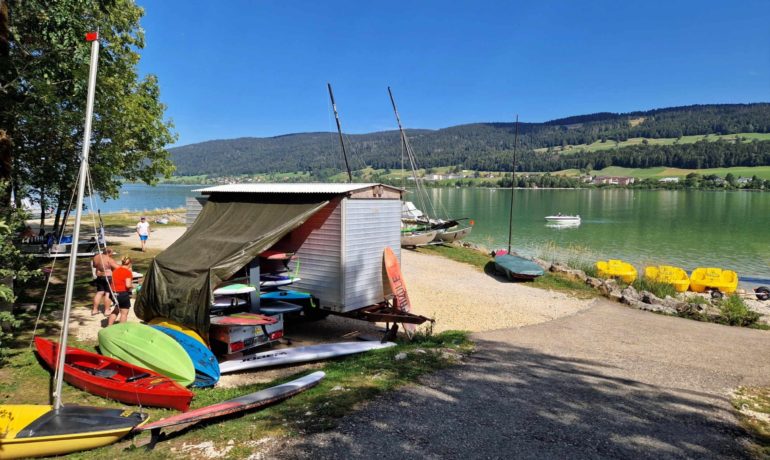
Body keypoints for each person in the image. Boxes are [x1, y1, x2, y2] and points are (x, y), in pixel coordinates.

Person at [92, 248, 118, 316]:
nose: (112, 254)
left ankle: (94, 310)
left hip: (99, 276)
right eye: (112, 253)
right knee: (107, 293)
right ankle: (107, 310)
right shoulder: (109, 259)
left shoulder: (96, 257)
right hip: (108, 277)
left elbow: (94, 265)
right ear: (109, 253)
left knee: (99, 292)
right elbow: (117, 268)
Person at [107, 257, 133, 326]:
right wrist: (132, 286)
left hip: (113, 293)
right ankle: (122, 329)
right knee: (124, 312)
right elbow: (128, 285)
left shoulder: (116, 270)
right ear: (130, 264)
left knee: (116, 309)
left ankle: (109, 326)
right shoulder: (127, 272)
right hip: (122, 294)